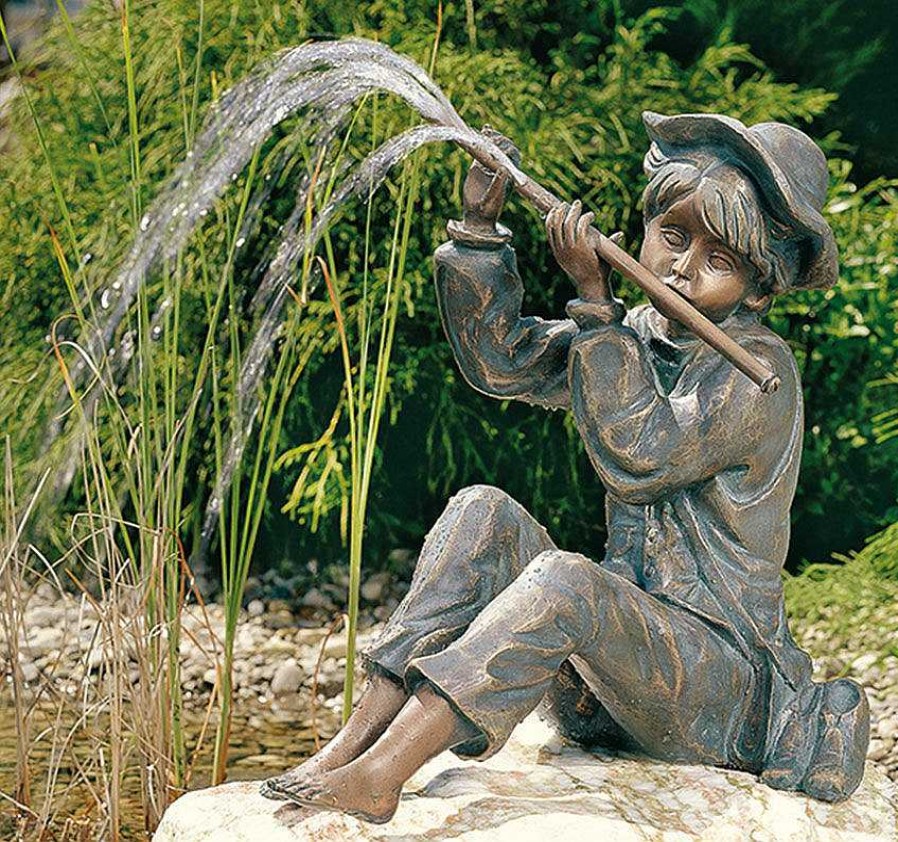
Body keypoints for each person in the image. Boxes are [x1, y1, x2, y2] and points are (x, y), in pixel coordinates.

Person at [260, 112, 869, 823]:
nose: (680, 267)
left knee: (568, 581)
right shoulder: (632, 335)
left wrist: (595, 307)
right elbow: (503, 362)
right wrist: (479, 233)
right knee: (480, 510)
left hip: (717, 692)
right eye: (673, 236)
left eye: (720, 260)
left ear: (760, 290)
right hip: (604, 691)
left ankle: (383, 778)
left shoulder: (758, 373)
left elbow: (640, 455)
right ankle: (348, 750)